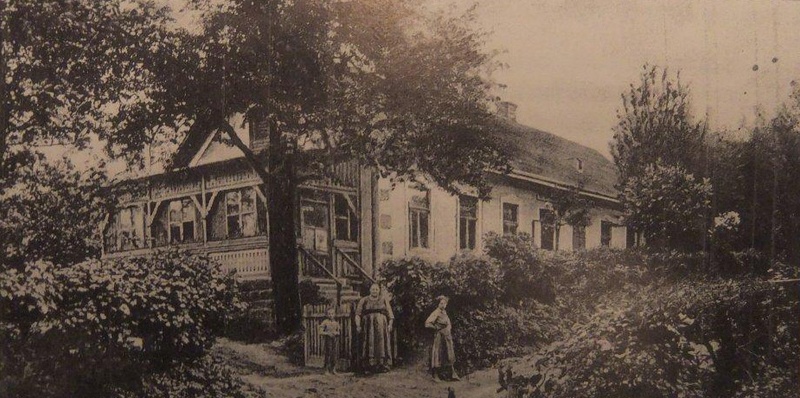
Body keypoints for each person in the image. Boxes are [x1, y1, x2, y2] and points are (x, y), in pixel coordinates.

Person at [355, 283, 394, 373]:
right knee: (369, 342)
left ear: (379, 290)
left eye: (376, 289)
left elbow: (390, 313)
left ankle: (382, 365)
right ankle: (368, 366)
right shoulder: (364, 300)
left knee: (381, 343)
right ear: (370, 290)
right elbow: (358, 314)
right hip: (368, 325)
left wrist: (390, 324)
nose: (374, 291)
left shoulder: (384, 299)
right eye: (373, 289)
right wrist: (358, 325)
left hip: (381, 326)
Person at [425, 295, 459, 381]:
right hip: (439, 337)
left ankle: (452, 374)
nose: (443, 305)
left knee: (449, 354)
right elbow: (427, 323)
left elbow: (448, 323)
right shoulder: (436, 312)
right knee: (438, 354)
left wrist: (448, 329)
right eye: (441, 303)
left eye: (444, 303)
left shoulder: (444, 312)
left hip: (447, 337)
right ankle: (435, 375)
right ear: (438, 304)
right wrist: (436, 328)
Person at [319, 306, 341, 375]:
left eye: (332, 313)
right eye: (329, 314)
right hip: (327, 340)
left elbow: (339, 332)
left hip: (334, 340)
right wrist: (327, 333)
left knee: (334, 355)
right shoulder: (325, 322)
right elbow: (320, 331)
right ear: (327, 314)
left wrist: (336, 333)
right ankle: (326, 370)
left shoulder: (336, 323)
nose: (331, 315)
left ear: (334, 314)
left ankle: (334, 369)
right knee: (328, 354)